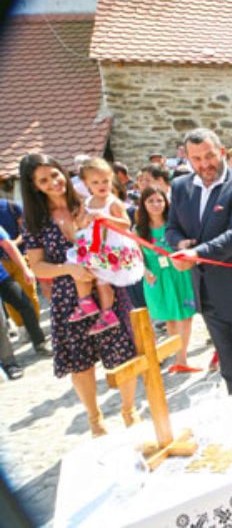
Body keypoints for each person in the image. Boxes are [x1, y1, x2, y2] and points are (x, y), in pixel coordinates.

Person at [20, 153, 140, 437]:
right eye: (44, 180)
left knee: (122, 350)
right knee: (80, 360)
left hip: (106, 285)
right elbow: (37, 266)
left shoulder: (88, 199)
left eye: (55, 174)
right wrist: (69, 269)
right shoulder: (34, 220)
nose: (53, 182)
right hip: (69, 296)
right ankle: (95, 419)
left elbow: (124, 227)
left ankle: (129, 410)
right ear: (34, 186)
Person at [167, 128, 232, 417]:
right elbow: (172, 227)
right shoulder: (180, 187)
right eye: (196, 158)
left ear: (222, 151)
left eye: (209, 156)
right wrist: (178, 244)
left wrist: (197, 254)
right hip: (207, 291)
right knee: (228, 366)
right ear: (187, 158)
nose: (204, 164)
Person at [64, 158, 144, 336]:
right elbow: (81, 223)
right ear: (86, 184)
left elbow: (126, 224)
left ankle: (107, 312)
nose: (102, 185)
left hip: (111, 246)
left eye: (105, 181)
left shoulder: (113, 202)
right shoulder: (88, 202)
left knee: (102, 281)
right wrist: (85, 220)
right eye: (95, 182)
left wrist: (108, 219)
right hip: (93, 245)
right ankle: (86, 302)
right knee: (81, 269)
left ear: (112, 179)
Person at [135, 187, 198, 373]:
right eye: (150, 201)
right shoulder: (139, 230)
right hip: (157, 278)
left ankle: (182, 359)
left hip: (180, 273)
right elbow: (137, 256)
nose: (155, 205)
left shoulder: (176, 224)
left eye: (159, 200)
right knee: (169, 318)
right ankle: (176, 355)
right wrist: (145, 271)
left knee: (186, 316)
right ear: (143, 205)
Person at [0, 197, 43, 339]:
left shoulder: (11, 206)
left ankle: (34, 327)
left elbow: (25, 229)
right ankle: (22, 327)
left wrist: (14, 243)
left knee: (29, 295)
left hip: (20, 256)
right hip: (3, 262)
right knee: (10, 304)